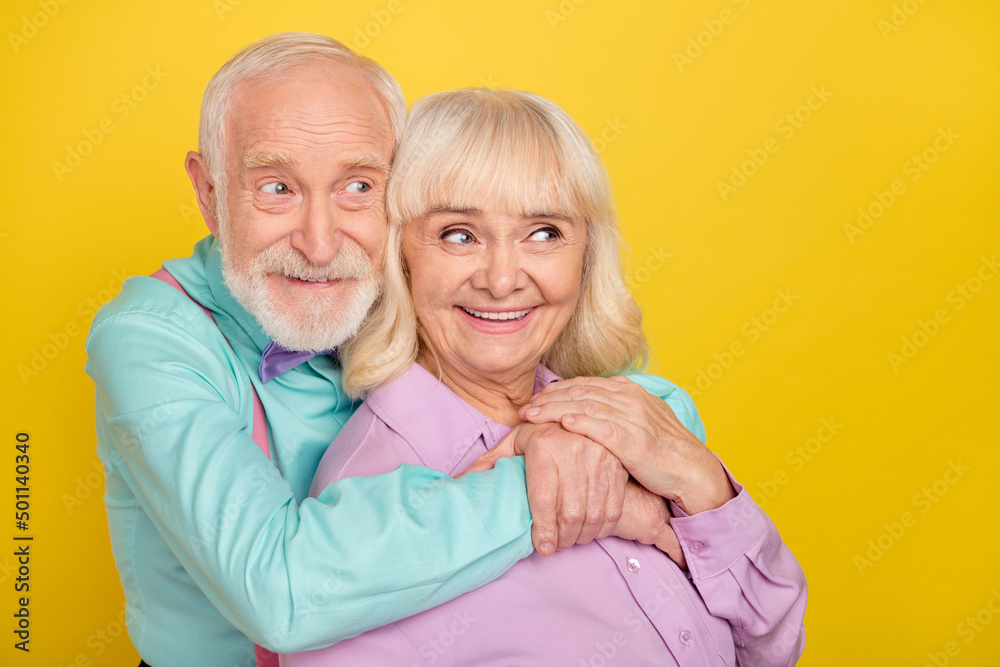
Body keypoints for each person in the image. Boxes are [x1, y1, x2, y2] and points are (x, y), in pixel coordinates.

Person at [85, 33, 701, 667]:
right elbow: (279, 594)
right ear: (210, 193)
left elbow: (618, 379)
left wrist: (589, 432)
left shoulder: (406, 276)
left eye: (357, 187)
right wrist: (571, 485)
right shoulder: (147, 338)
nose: (320, 244)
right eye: (276, 188)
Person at [284, 89, 807, 666]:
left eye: (545, 232)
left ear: (586, 255)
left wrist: (707, 486)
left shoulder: (634, 417)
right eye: (459, 234)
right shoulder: (365, 498)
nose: (503, 279)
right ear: (398, 254)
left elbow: (772, 644)